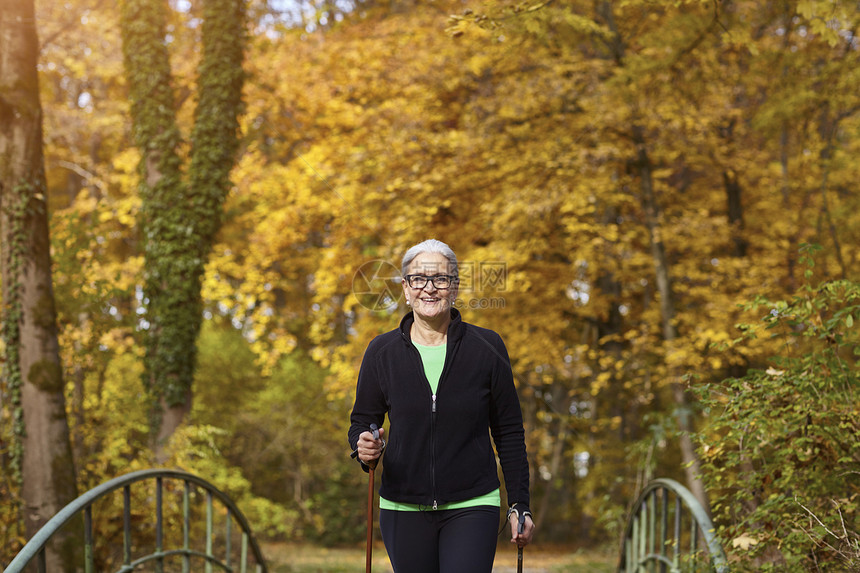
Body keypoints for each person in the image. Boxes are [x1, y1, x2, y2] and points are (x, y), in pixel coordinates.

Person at [348, 239, 535, 573]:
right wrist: (363, 446)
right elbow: (362, 421)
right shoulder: (381, 352)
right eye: (418, 279)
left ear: (455, 287)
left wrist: (519, 503)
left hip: (473, 502)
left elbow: (508, 432)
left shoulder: (487, 347)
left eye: (441, 279)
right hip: (402, 505)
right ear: (406, 289)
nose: (429, 288)